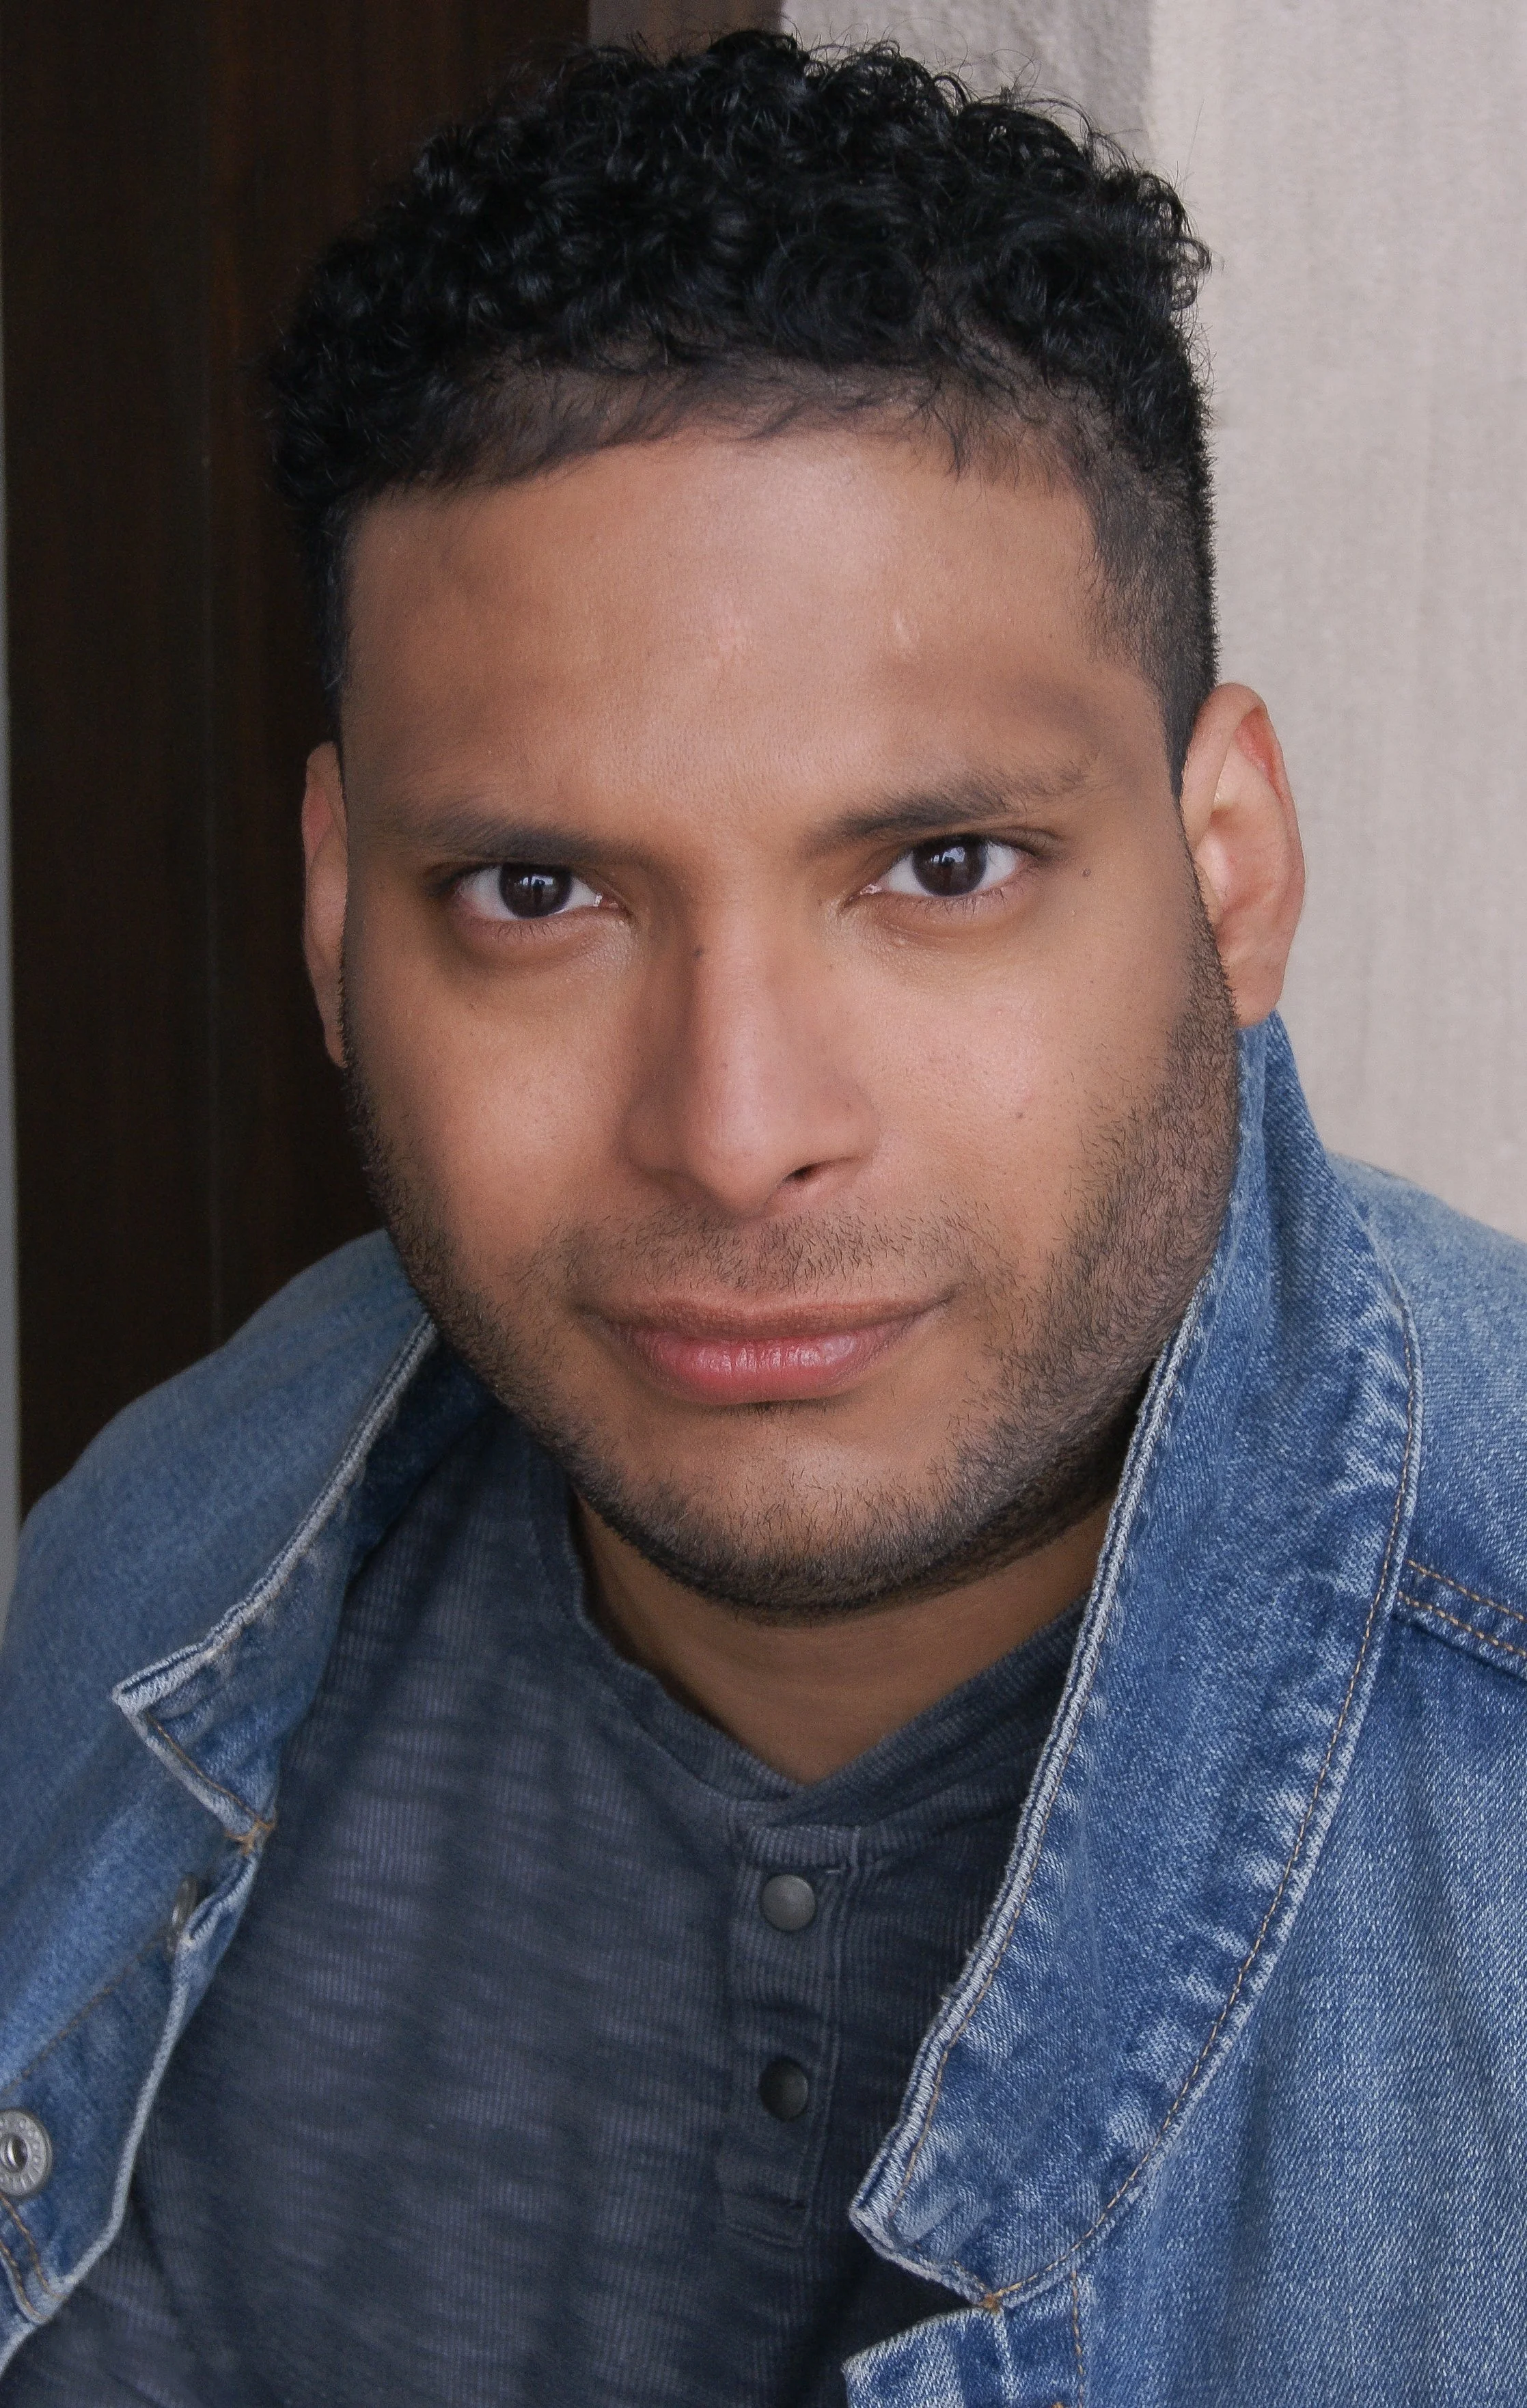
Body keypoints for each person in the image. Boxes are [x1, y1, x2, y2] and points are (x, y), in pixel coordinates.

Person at [1, 31, 1523, 2407]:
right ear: (331, 921)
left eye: (939, 868)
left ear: (1231, 872)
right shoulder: (146, 1578)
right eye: (537, 890)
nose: (733, 1130)